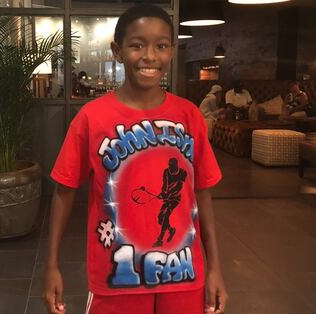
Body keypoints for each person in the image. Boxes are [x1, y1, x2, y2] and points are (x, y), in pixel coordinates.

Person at [44, 4, 228, 314]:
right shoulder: (91, 118)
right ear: (117, 51)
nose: (150, 56)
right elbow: (64, 192)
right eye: (137, 45)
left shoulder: (190, 116)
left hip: (184, 275)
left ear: (172, 50)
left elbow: (202, 195)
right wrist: (51, 265)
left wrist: (215, 268)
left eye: (161, 45)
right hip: (117, 277)